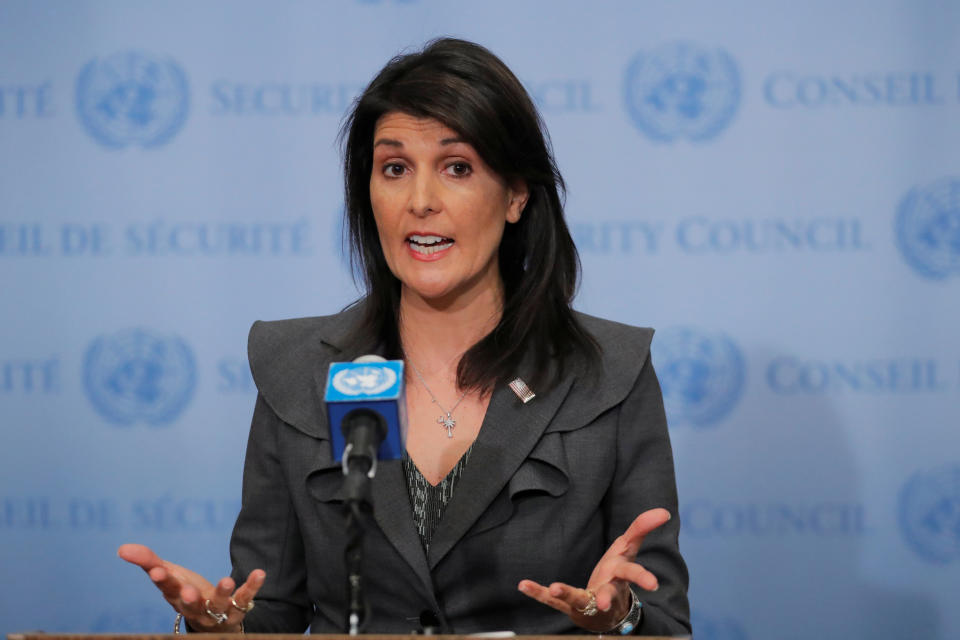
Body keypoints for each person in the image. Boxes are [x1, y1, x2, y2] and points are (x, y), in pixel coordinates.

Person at [119, 37, 690, 636]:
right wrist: (217, 628)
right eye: (395, 168)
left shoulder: (609, 373)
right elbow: (270, 613)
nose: (420, 201)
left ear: (517, 194)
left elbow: (665, 623)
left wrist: (621, 619)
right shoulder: (295, 371)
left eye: (457, 168)